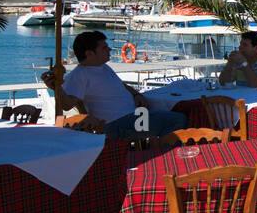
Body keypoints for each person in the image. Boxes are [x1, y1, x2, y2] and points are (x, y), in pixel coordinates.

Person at [52, 31, 187, 140]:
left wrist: (135, 94)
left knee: (174, 115)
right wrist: (56, 87)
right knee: (177, 120)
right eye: (104, 47)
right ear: (89, 54)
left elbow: (120, 84)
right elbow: (67, 104)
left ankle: (156, 151)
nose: (109, 49)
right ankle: (161, 156)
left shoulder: (102, 67)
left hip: (131, 118)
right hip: (116, 125)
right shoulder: (80, 74)